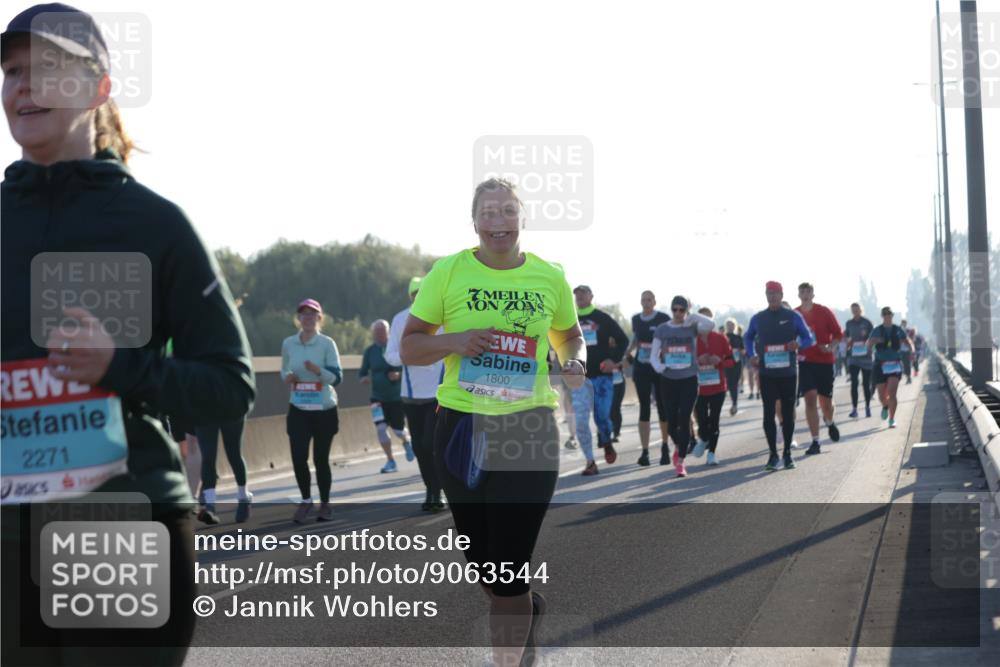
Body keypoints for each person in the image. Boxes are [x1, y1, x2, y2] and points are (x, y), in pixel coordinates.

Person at [1, 6, 255, 664]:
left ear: (99, 88)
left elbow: (230, 387)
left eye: (47, 69)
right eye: (12, 71)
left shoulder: (155, 224)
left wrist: (121, 365)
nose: (23, 86)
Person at [400, 178, 585, 667]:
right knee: (485, 566)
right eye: (488, 212)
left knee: (506, 569)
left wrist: (575, 362)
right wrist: (455, 341)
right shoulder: (448, 272)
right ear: (475, 221)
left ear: (522, 218)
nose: (498, 221)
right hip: (462, 426)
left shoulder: (550, 276)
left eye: (507, 211)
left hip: (528, 428)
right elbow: (411, 347)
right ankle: (525, 610)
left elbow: (570, 336)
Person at [385, 276, 446, 511]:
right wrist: (407, 355)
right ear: (410, 297)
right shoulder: (401, 320)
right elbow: (389, 354)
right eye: (415, 294)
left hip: (438, 394)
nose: (419, 297)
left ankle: (438, 491)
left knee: (431, 442)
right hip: (411, 396)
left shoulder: (442, 317)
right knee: (420, 448)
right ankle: (430, 491)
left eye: (423, 293)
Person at [281, 299, 343, 523]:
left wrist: (319, 371)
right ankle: (306, 501)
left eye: (312, 314)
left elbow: (337, 378)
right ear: (298, 318)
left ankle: (325, 503)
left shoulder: (327, 344)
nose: (307, 318)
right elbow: (284, 370)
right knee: (298, 456)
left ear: (319, 318)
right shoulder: (289, 343)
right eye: (303, 314)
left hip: (324, 408)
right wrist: (288, 377)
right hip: (298, 406)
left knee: (320, 459)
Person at [744, 282, 815, 471]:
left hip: (788, 373)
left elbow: (809, 338)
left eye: (775, 293)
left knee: (788, 413)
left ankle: (787, 454)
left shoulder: (792, 316)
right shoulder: (759, 318)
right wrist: (751, 355)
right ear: (766, 295)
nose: (772, 297)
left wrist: (798, 343)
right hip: (767, 372)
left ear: (782, 294)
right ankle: (773, 454)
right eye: (769, 293)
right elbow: (748, 337)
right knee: (768, 413)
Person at [650, 296, 715, 477]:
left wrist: (693, 316)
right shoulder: (663, 329)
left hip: (689, 379)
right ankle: (679, 447)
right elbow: (653, 355)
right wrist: (660, 367)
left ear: (686, 311)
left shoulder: (691, 327)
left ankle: (681, 462)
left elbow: (710, 325)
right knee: (671, 424)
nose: (678, 313)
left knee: (684, 417)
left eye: (681, 310)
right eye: (675, 309)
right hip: (668, 380)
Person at [573, 285, 629, 474]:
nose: (579, 296)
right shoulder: (570, 320)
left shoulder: (603, 318)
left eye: (583, 293)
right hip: (580, 378)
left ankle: (606, 440)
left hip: (603, 378)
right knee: (580, 420)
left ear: (591, 296)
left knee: (602, 417)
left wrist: (612, 359)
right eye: (576, 294)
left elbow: (623, 340)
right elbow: (559, 342)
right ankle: (590, 462)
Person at [621, 291, 670, 466]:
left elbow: (669, 338)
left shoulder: (663, 318)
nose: (646, 303)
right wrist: (628, 351)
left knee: (662, 407)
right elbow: (636, 339)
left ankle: (665, 447)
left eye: (649, 300)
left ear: (654, 302)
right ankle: (645, 452)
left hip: (659, 367)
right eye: (643, 300)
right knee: (644, 408)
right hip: (641, 367)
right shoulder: (636, 319)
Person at [360, 319, 413, 473]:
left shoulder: (397, 348)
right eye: (376, 332)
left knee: (398, 430)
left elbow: (411, 368)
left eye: (382, 331)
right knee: (381, 429)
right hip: (377, 398)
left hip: (396, 397)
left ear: (388, 332)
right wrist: (363, 378)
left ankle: (406, 441)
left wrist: (399, 375)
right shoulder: (370, 351)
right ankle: (390, 461)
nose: (379, 334)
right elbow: (362, 372)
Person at [794, 283, 843, 455]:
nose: (806, 294)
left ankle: (829, 421)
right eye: (802, 292)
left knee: (826, 403)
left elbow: (838, 333)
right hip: (806, 362)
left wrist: (831, 347)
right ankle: (815, 441)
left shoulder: (824, 311)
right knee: (810, 399)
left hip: (824, 362)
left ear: (813, 294)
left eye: (808, 291)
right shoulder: (795, 314)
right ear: (798, 294)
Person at [691, 308, 734, 465]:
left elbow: (731, 360)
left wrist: (720, 362)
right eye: (701, 319)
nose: (704, 322)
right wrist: (697, 361)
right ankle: (703, 438)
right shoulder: (692, 340)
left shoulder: (721, 338)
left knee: (714, 420)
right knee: (702, 420)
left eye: (708, 319)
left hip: (718, 387)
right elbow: (684, 362)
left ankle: (711, 454)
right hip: (699, 388)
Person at [193, 418, 251, 524]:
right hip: (203, 411)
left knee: (234, 455)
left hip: (231, 408)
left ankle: (243, 497)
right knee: (208, 458)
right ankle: (210, 505)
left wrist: (244, 403)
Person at [867, 307, 913, 429]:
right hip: (880, 364)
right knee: (882, 396)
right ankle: (885, 406)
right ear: (882, 316)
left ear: (892, 315)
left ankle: (892, 419)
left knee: (892, 393)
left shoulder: (898, 330)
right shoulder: (877, 330)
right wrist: (873, 344)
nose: (887, 316)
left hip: (894, 364)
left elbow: (907, 341)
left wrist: (912, 350)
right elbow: (869, 344)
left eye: (889, 314)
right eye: (885, 314)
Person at [843, 302, 875, 418]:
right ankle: (854, 409)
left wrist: (868, 343)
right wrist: (847, 341)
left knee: (866, 384)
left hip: (866, 357)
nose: (855, 312)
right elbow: (846, 336)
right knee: (854, 383)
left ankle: (867, 407)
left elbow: (873, 337)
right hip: (854, 357)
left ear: (861, 310)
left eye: (857, 310)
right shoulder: (849, 323)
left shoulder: (867, 322)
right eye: (853, 310)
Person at [723, 318, 744, 415]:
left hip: (737, 363)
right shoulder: (723, 337)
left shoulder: (738, 337)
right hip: (727, 363)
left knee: (734, 384)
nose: (730, 326)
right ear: (726, 326)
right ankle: (734, 404)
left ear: (735, 326)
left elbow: (743, 351)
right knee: (730, 384)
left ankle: (734, 403)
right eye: (728, 325)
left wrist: (738, 351)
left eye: (732, 324)